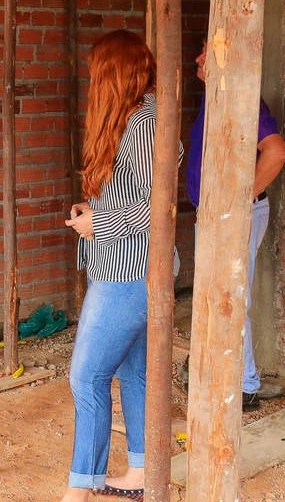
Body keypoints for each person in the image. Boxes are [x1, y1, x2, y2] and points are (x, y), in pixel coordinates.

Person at [60, 29, 180, 501]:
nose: (91, 81)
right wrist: (93, 212)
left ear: (113, 74)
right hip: (124, 266)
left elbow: (159, 206)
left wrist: (100, 223)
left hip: (131, 272)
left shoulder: (146, 123)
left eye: (96, 72)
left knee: (86, 375)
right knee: (133, 374)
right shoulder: (134, 118)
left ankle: (79, 490)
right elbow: (132, 193)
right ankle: (142, 472)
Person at [186, 42, 285, 411]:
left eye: (206, 52)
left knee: (230, 296)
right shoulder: (215, 95)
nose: (198, 58)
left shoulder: (241, 99)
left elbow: (277, 151)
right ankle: (224, 374)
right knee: (217, 295)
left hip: (232, 216)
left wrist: (239, 203)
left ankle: (244, 386)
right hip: (215, 214)